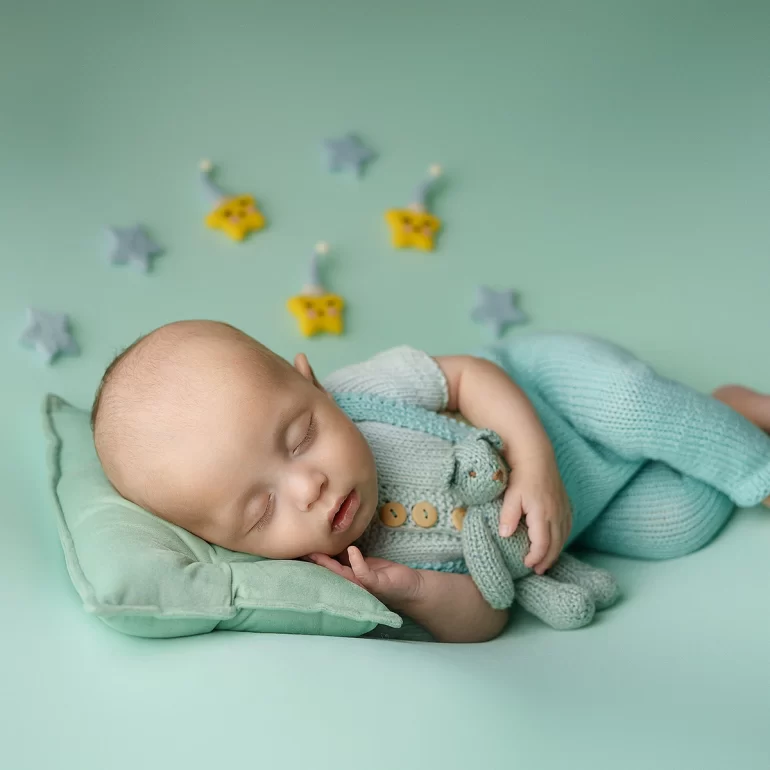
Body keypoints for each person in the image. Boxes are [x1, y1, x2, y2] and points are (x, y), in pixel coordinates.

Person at [90, 319, 770, 643]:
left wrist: (534, 461)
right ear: (226, 540)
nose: (309, 488)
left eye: (300, 437)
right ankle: (725, 410)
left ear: (310, 380)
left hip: (548, 395)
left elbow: (470, 374)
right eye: (262, 509)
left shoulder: (361, 391)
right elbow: (488, 613)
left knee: (630, 404)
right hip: (588, 507)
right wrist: (416, 592)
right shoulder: (340, 570)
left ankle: (754, 462)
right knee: (680, 523)